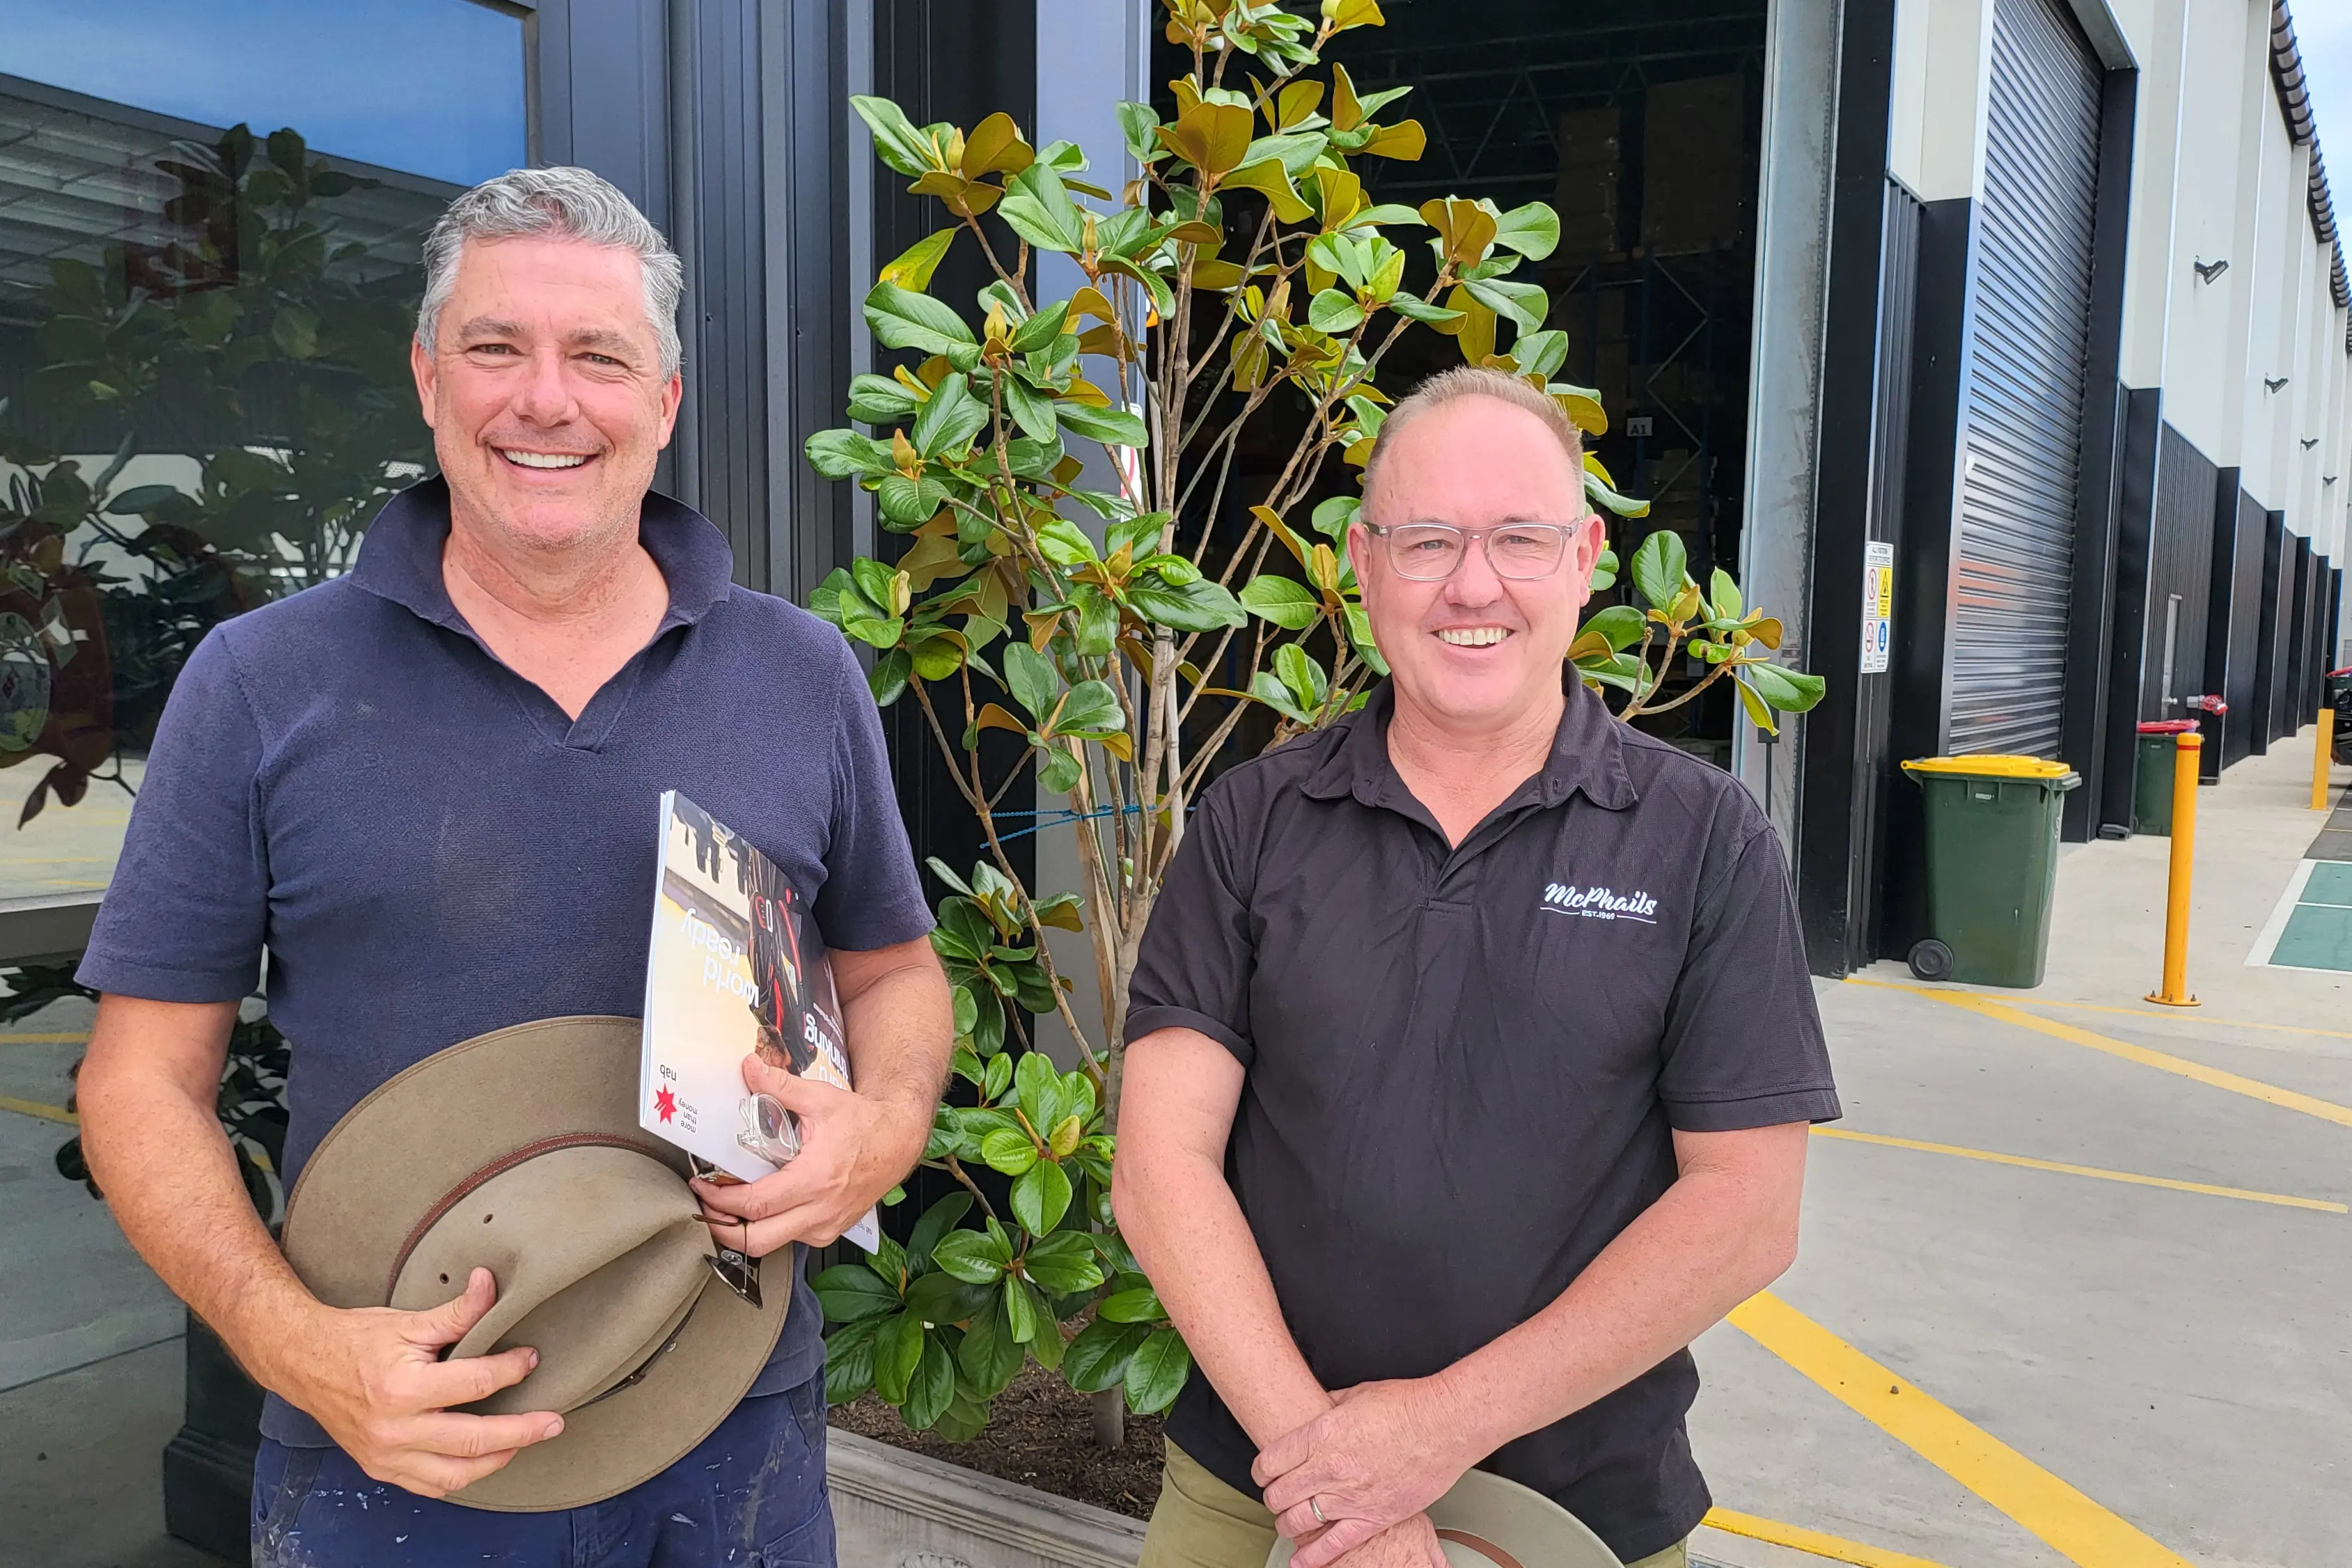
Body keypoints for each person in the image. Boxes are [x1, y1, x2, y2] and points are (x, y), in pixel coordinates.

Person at [72, 166, 950, 1567]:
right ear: (429, 380)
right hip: (388, 1454)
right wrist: (289, 1343)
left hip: (729, 1425)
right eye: (496, 347)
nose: (548, 400)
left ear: (662, 403)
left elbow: (894, 966)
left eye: (599, 356)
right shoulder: (260, 681)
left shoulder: (799, 670)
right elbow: (135, 1080)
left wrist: (887, 1124)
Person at [1113, 366, 1840, 1568]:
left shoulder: (1702, 837)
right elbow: (1159, 1165)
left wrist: (1432, 1433)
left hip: (1577, 1502)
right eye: (1426, 540)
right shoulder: (1252, 823)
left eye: (1517, 538)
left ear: (1585, 557)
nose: (1471, 584)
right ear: (1361, 563)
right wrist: (1336, 1474)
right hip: (1260, 1482)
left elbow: (1747, 1211)